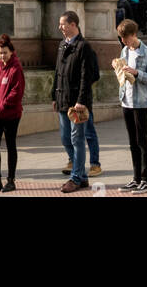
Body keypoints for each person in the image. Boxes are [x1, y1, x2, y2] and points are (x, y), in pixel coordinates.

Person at [52, 10, 100, 193]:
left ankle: (76, 177)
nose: (60, 27)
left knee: (77, 138)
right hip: (62, 99)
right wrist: (53, 96)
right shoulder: (62, 45)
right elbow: (57, 73)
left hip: (77, 103)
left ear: (73, 25)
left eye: (63, 24)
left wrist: (81, 100)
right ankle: (81, 175)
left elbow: (86, 77)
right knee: (65, 138)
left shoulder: (83, 47)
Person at [113, 18, 147, 194]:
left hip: (141, 101)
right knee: (132, 141)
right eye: (121, 39)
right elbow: (123, 74)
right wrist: (118, 67)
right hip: (127, 100)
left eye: (126, 38)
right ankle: (136, 177)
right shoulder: (125, 50)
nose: (123, 42)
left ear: (134, 35)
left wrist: (137, 72)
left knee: (142, 141)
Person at [0, 35, 25, 193]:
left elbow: (17, 92)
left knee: (10, 145)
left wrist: (2, 105)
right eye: (0, 53)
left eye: (5, 53)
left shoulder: (16, 68)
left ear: (11, 52)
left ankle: (11, 180)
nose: (2, 56)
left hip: (10, 114)